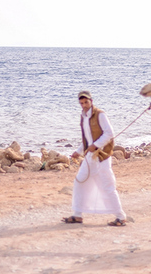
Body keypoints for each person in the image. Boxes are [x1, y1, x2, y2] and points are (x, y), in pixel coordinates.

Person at [62, 90, 127, 227]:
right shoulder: (84, 116)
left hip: (102, 157)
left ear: (91, 101)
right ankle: (77, 215)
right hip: (89, 157)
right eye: (81, 103)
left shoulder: (100, 114)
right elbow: (87, 139)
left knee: (108, 186)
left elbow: (109, 133)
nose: (84, 105)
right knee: (79, 181)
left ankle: (121, 217)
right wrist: (78, 151)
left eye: (86, 102)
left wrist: (96, 145)